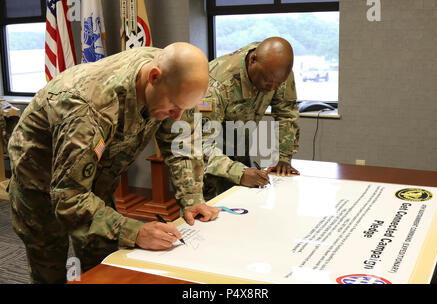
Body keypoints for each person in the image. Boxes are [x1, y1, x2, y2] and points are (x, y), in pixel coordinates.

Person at [7, 42, 220, 284]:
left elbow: (178, 143)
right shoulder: (89, 107)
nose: (177, 116)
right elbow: (69, 197)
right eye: (173, 106)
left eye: (184, 108)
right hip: (40, 183)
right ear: (153, 77)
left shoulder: (172, 81)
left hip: (93, 180)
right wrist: (135, 231)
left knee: (105, 264)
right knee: (50, 266)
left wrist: (192, 198)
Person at [156, 37, 300, 211]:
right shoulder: (217, 84)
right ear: (253, 60)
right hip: (205, 170)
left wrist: (284, 158)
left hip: (239, 154)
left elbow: (286, 112)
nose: (271, 88)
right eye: (267, 82)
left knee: (244, 217)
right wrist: (238, 172)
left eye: (277, 84)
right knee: (206, 222)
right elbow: (199, 144)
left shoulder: (277, 71)